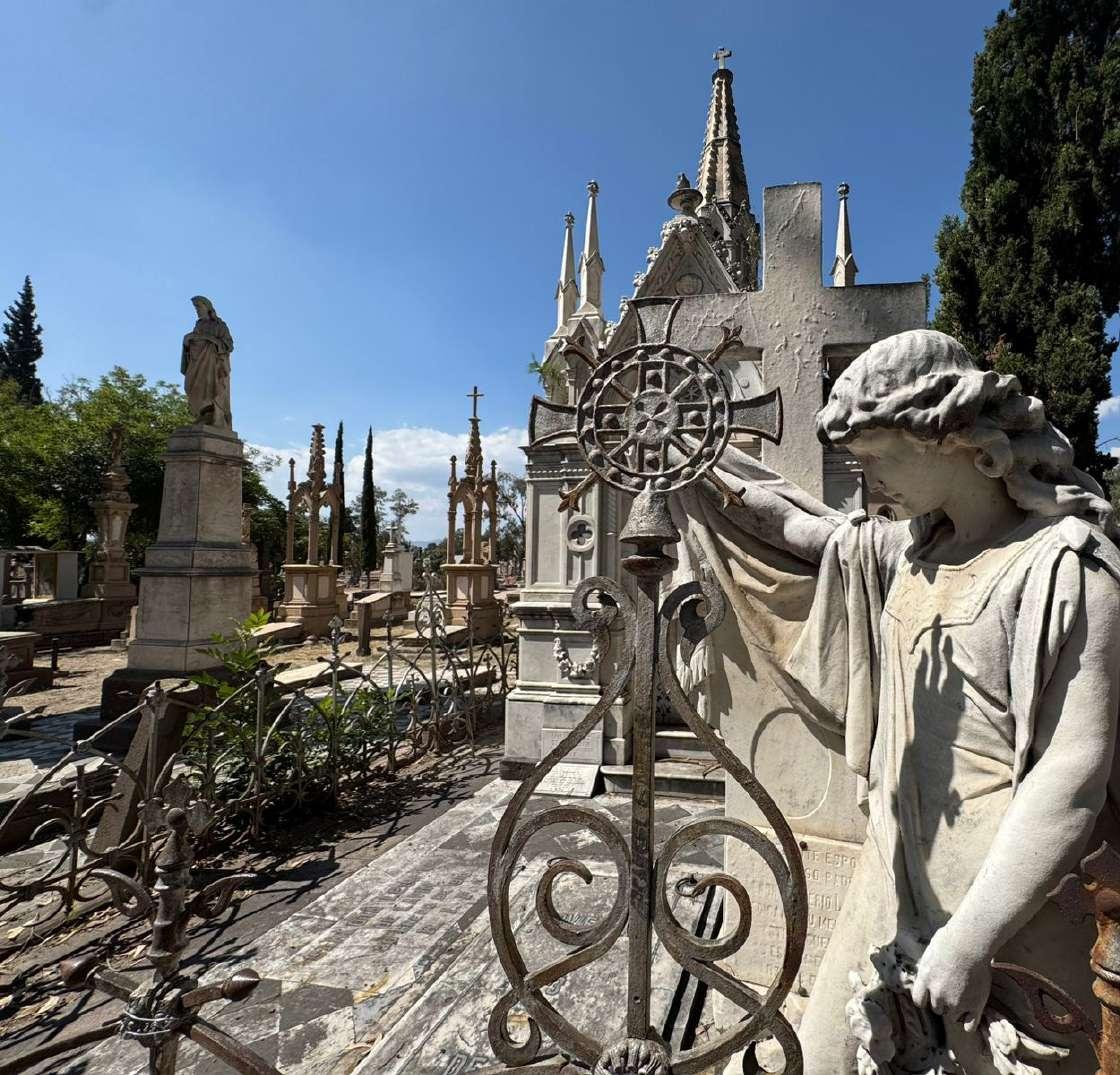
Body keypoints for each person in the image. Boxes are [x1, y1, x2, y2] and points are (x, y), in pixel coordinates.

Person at [676, 329, 1120, 1072]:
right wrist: (700, 466)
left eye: (876, 459)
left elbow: (1071, 774)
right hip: (892, 892)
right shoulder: (906, 552)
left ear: (948, 436)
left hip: (1009, 926)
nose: (869, 482)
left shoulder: (1067, 568)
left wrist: (973, 937)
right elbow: (801, 530)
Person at [181, 295, 233, 429]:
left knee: (210, 389)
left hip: (212, 365)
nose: (197, 310)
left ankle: (210, 415)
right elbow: (193, 344)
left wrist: (209, 338)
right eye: (195, 308)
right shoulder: (198, 325)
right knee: (191, 386)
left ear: (207, 307)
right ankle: (201, 415)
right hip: (196, 363)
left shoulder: (220, 326)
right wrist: (187, 341)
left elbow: (228, 345)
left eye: (199, 307)